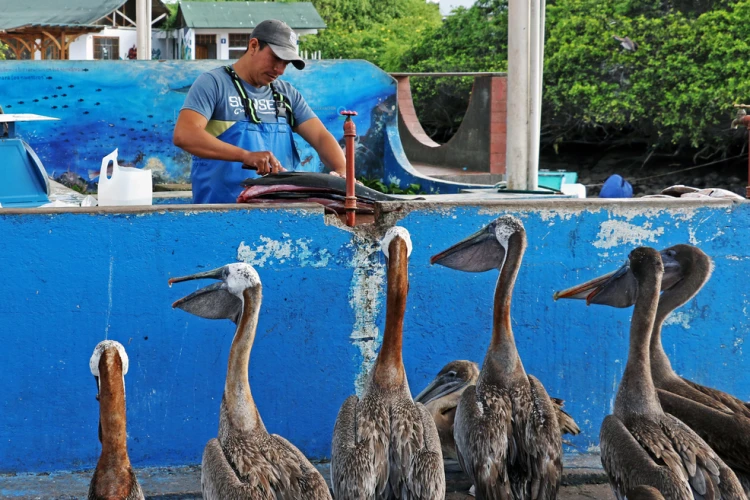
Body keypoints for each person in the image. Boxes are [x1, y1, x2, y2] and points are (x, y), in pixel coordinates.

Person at [173, 19, 346, 204]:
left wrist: (342, 171)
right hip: (222, 215)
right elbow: (185, 134)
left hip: (280, 217)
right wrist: (246, 156)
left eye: (286, 63)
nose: (279, 69)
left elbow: (320, 136)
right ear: (254, 45)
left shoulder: (286, 94)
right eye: (275, 58)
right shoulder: (213, 84)